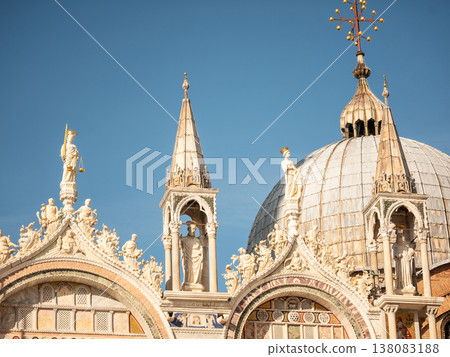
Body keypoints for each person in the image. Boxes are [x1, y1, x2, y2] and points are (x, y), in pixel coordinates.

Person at [180, 221, 204, 287]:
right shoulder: (184, 239)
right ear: (189, 229)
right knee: (189, 268)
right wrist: (180, 240)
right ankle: (187, 282)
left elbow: (200, 248)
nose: (193, 231)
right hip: (188, 257)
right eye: (192, 229)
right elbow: (180, 247)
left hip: (196, 258)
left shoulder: (197, 241)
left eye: (194, 229)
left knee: (197, 270)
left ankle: (196, 282)